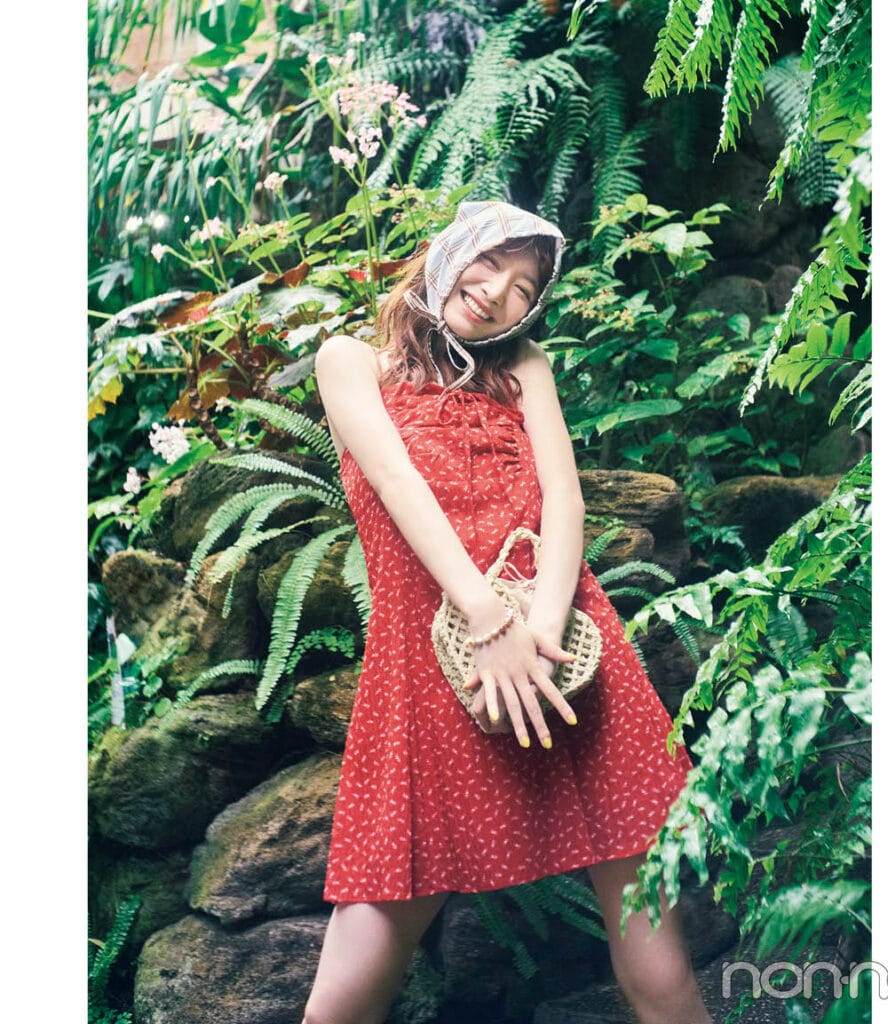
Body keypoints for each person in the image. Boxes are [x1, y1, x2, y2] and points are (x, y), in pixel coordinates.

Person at [304, 200, 712, 1024]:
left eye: (524, 287)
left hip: (567, 652)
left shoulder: (525, 365)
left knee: (660, 969)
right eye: (488, 264)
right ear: (445, 255)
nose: (497, 292)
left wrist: (543, 630)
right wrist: (488, 622)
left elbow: (563, 497)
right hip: (431, 667)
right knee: (350, 983)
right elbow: (396, 483)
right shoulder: (350, 360)